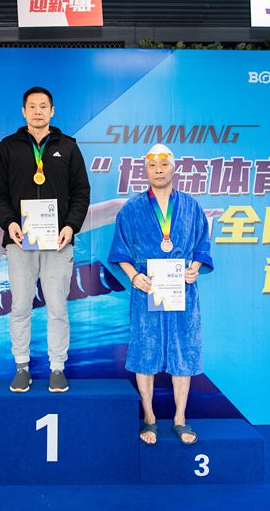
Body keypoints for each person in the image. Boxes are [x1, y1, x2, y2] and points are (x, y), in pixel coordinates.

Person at [108, 143, 213, 445]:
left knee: (183, 350)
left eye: (164, 164)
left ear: (173, 167)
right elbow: (120, 249)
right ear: (146, 169)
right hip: (147, 289)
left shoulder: (191, 206)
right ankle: (149, 417)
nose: (158, 170)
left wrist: (194, 268)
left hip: (182, 290)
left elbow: (202, 244)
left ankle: (180, 418)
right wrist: (134, 276)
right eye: (152, 165)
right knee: (145, 351)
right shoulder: (132, 209)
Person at [0, 86, 90, 393]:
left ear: (52, 111)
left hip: (58, 242)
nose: (38, 111)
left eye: (43, 106)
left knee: (57, 307)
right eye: (32, 106)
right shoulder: (8, 147)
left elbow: (81, 192)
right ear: (23, 112)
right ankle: (22, 366)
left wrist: (70, 226)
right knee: (20, 306)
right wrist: (10, 223)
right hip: (20, 242)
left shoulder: (68, 147)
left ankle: (57, 367)